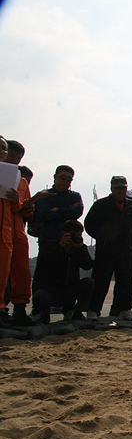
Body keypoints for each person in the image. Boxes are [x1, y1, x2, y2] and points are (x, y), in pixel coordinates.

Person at [85, 176, 132, 321]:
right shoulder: (101, 205)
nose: (121, 190)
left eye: (123, 187)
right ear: (111, 188)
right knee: (101, 281)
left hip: (124, 251)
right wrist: (102, 237)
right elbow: (88, 224)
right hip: (106, 250)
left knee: (125, 282)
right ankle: (93, 310)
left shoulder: (129, 206)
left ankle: (125, 309)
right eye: (117, 188)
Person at [31, 220, 94, 323]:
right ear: (63, 233)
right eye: (72, 235)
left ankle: (75, 313)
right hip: (51, 290)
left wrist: (81, 248)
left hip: (69, 291)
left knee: (89, 282)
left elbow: (88, 266)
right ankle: (43, 315)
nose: (75, 237)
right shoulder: (49, 246)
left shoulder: (79, 249)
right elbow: (45, 262)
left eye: (78, 235)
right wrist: (60, 246)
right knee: (40, 295)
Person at [4, 140, 34, 326]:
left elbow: (25, 210)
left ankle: (20, 308)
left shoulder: (21, 181)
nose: (15, 161)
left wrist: (23, 204)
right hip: (3, 229)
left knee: (22, 271)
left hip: (17, 231)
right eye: (12, 156)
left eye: (18, 158)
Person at [0, 137, 23, 327]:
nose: (3, 152)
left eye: (4, 149)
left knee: (3, 274)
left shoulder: (16, 177)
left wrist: (16, 199)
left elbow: (18, 210)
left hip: (5, 233)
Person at [35, 165, 84, 246]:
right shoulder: (44, 195)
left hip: (70, 241)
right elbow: (44, 215)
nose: (65, 181)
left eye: (69, 179)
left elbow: (77, 212)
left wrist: (58, 210)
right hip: (48, 240)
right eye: (63, 178)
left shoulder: (75, 196)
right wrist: (69, 210)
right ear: (55, 177)